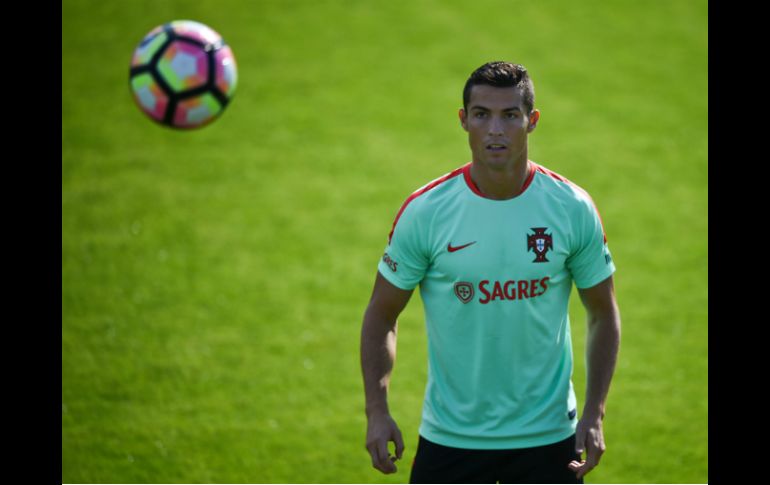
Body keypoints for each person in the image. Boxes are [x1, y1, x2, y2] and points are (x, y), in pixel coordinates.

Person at [360, 61, 621, 484]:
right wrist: (377, 411)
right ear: (463, 121)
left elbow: (603, 314)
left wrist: (594, 414)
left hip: (550, 436)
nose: (495, 129)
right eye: (481, 114)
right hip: (451, 438)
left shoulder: (571, 208)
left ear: (531, 121)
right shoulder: (426, 213)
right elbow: (381, 316)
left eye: (509, 115)